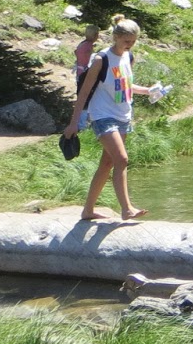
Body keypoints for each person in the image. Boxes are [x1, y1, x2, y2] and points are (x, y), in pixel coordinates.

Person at [62, 15, 147, 221]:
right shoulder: (101, 59)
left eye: (133, 41)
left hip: (123, 117)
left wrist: (148, 90)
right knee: (122, 159)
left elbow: (124, 86)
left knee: (107, 164)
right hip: (102, 116)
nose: (130, 45)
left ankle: (88, 210)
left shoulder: (128, 57)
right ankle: (127, 209)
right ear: (116, 37)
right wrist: (74, 122)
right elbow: (83, 92)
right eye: (127, 41)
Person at [72, 22, 101, 130]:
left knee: (82, 95)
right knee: (86, 96)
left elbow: (76, 52)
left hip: (79, 71)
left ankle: (84, 122)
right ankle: (82, 124)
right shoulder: (89, 46)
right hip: (85, 73)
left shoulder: (82, 43)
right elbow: (89, 61)